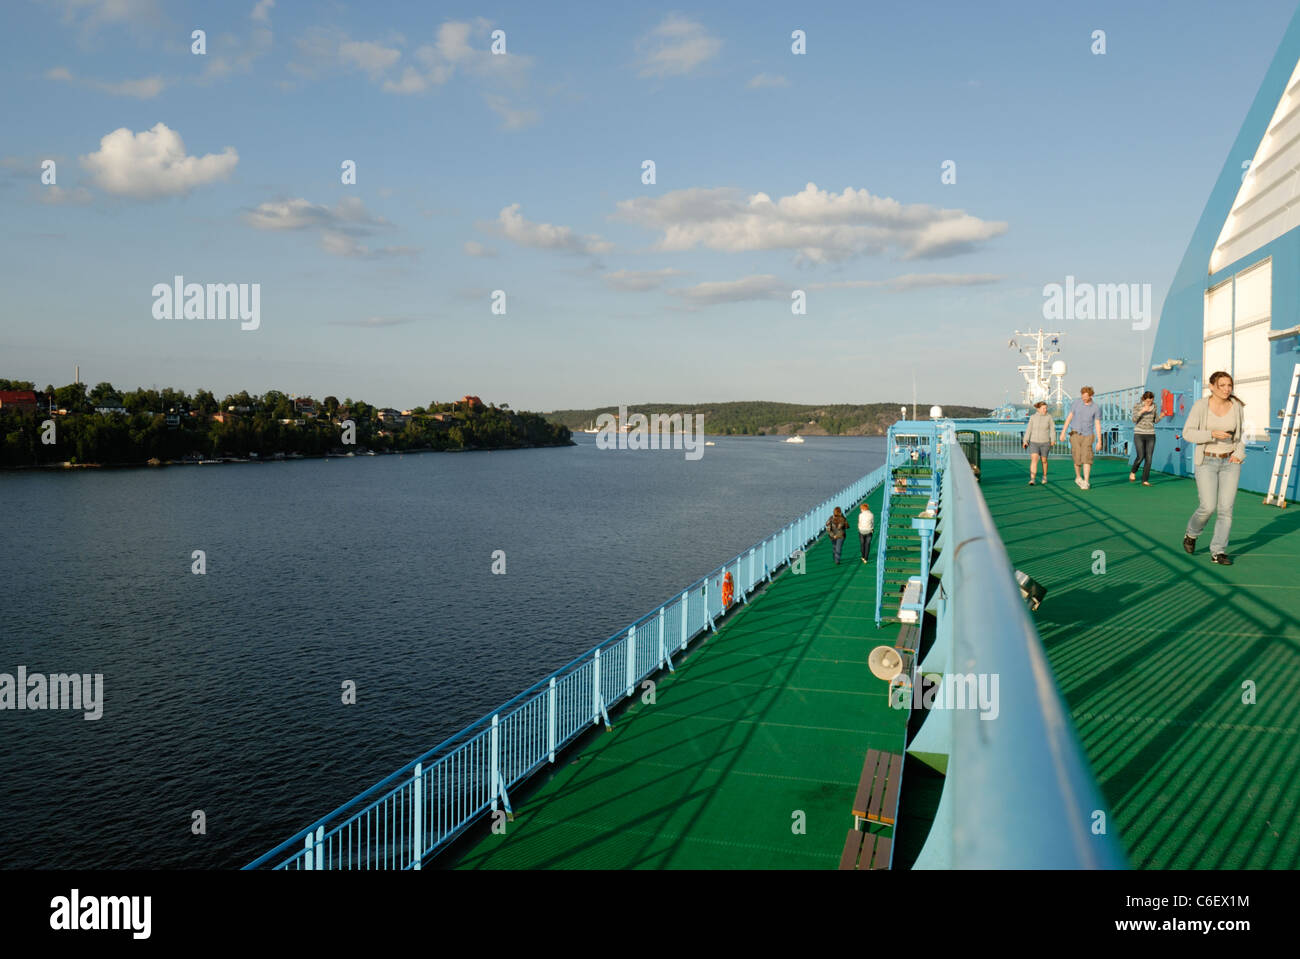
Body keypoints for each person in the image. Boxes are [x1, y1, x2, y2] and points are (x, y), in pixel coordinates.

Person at [1182, 371, 1246, 565]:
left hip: (1230, 462)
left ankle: (1218, 551)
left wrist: (1239, 454)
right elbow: (1188, 433)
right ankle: (1191, 534)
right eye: (1222, 385)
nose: (1227, 389)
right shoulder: (1201, 406)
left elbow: (1241, 434)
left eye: (1229, 385)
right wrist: (1211, 434)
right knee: (1208, 506)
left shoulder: (1236, 406)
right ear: (1212, 386)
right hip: (1207, 461)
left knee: (1226, 509)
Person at [1059, 386, 1102, 489]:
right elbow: (1069, 417)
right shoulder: (1076, 403)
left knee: (1087, 458)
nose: (1084, 398)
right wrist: (1063, 432)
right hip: (1075, 433)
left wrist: (1099, 440)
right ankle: (1078, 477)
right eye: (1082, 396)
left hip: (1088, 435)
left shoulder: (1095, 407)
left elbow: (1097, 424)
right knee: (1077, 458)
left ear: (1091, 395)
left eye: (1086, 397)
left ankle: (1086, 481)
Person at [1130, 390, 1166, 485]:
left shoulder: (1154, 406)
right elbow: (1134, 419)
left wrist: (1161, 416)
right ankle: (1133, 472)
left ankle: (1145, 480)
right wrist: (1142, 411)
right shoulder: (1138, 405)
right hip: (1139, 433)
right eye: (1147, 401)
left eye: (1151, 401)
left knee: (1149, 458)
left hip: (1151, 434)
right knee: (1140, 456)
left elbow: (1154, 420)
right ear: (1144, 399)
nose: (1149, 403)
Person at [1021, 400, 1054, 485]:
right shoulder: (1033, 417)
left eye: (1046, 408)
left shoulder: (1049, 417)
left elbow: (1052, 430)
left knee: (1044, 460)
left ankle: (1044, 476)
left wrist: (1053, 440)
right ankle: (1032, 479)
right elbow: (1029, 430)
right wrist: (1025, 441)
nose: (1045, 410)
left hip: (1045, 442)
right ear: (1038, 409)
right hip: (1034, 442)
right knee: (1034, 459)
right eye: (1043, 408)